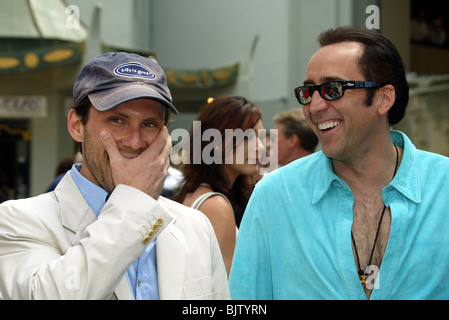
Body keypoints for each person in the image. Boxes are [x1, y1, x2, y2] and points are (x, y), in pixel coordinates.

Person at [229, 26, 449, 299]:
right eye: (308, 92)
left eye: (333, 89)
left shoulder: (443, 188)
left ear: (383, 98)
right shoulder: (275, 198)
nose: (315, 106)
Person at [0, 52, 230, 300]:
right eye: (117, 120)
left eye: (149, 124)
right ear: (77, 126)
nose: (135, 141)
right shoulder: (18, 221)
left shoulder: (196, 227)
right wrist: (133, 200)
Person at [175, 96, 264, 275]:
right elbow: (227, 290)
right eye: (247, 137)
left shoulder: (198, 192)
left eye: (260, 137)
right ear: (216, 143)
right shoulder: (215, 205)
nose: (260, 147)